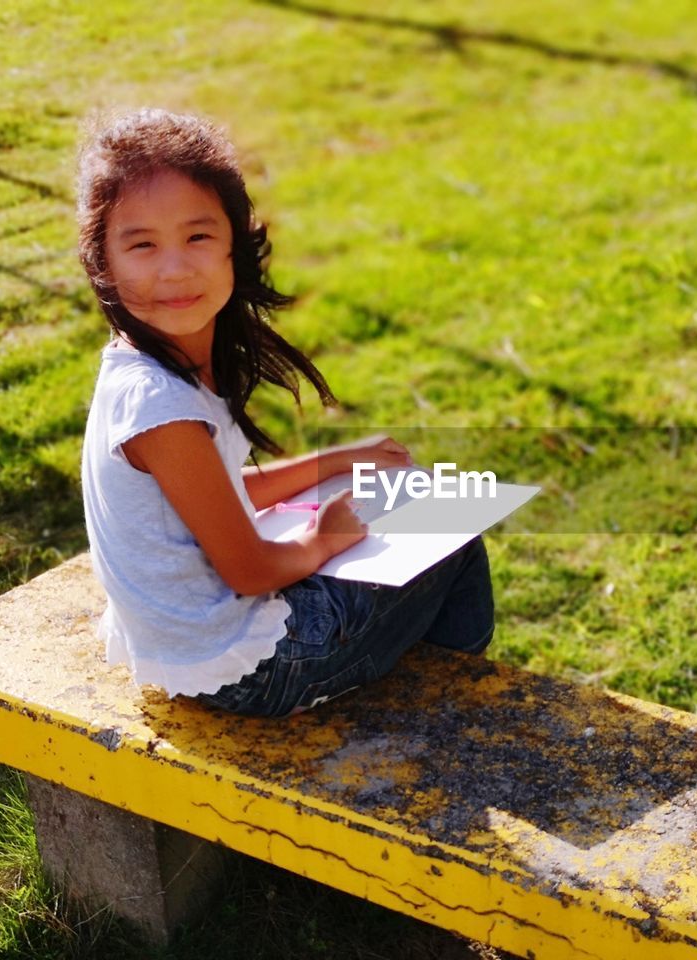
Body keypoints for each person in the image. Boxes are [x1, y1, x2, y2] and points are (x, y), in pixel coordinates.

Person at [76, 108, 493, 717]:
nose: (175, 267)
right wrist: (321, 541)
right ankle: (463, 707)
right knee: (453, 533)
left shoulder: (143, 365)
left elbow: (215, 493)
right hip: (253, 670)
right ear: (102, 262)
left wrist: (340, 461)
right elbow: (249, 570)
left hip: (190, 647)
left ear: (234, 247)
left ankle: (427, 684)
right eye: (142, 245)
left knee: (404, 518)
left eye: (198, 236)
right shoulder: (161, 405)